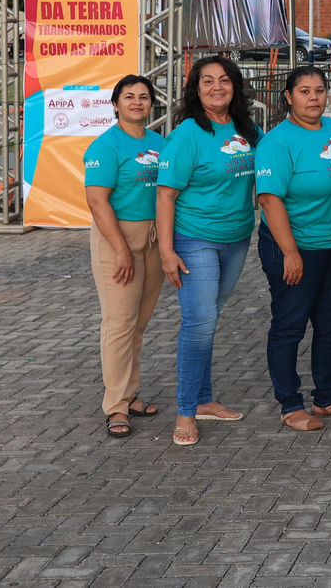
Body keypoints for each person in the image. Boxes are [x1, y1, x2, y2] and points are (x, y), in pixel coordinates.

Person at [254, 66, 331, 434]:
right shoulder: (277, 142)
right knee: (290, 324)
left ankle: (327, 398)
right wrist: (290, 253)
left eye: (319, 90)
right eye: (304, 91)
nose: (314, 98)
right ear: (288, 97)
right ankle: (290, 404)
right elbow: (270, 200)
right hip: (293, 246)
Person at [155, 56, 260, 447]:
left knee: (209, 318)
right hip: (195, 239)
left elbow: (274, 160)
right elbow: (165, 195)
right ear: (195, 90)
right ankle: (185, 412)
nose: (217, 87)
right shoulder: (187, 135)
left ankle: (204, 399)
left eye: (224, 81)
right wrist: (167, 251)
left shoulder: (247, 129)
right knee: (199, 323)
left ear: (235, 86)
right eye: (207, 81)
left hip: (237, 238)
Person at [83, 74, 165, 439]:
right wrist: (120, 249)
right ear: (115, 104)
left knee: (138, 324)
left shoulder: (160, 143)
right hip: (117, 240)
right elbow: (97, 201)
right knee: (119, 325)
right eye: (128, 97)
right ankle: (115, 407)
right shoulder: (106, 146)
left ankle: (130, 395)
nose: (136, 102)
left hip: (153, 240)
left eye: (143, 97)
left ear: (151, 104)